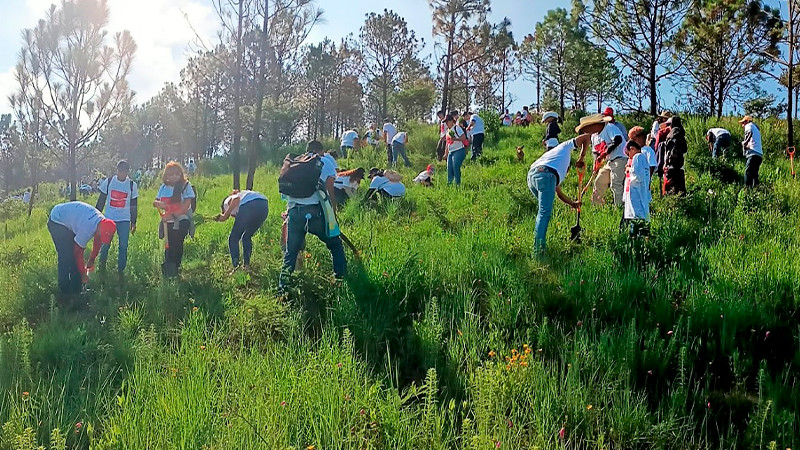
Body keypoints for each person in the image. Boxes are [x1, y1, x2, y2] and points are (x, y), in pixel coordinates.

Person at [527, 115, 603, 253]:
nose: (567, 171)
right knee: (544, 214)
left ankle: (538, 244)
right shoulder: (565, 147)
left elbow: (559, 193)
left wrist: (572, 203)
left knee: (542, 212)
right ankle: (538, 252)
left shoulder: (553, 159)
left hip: (532, 176)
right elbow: (586, 137)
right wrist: (581, 157)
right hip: (545, 175)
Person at [281, 140, 346, 287]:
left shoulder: (294, 163)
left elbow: (286, 193)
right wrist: (333, 217)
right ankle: (340, 281)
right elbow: (330, 194)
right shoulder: (324, 161)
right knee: (335, 244)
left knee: (291, 253)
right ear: (321, 151)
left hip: (294, 212)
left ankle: (283, 289)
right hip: (315, 212)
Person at [47, 201, 117, 296]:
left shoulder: (103, 223)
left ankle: (77, 290)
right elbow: (77, 253)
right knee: (66, 257)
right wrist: (83, 274)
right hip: (57, 221)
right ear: (99, 228)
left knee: (74, 260)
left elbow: (98, 240)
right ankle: (64, 294)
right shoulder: (87, 228)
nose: (102, 237)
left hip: (70, 220)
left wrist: (92, 259)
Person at [95, 160, 139, 274]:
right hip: (109, 218)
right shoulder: (109, 182)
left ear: (127, 172)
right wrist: (96, 217)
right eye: (120, 171)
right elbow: (101, 200)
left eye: (124, 172)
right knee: (105, 245)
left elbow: (134, 205)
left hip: (124, 220)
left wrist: (133, 222)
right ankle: (101, 269)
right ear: (117, 171)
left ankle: (121, 271)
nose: (122, 174)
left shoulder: (132, 185)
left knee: (123, 246)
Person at [153, 161, 196, 277]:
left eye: (177, 174)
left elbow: (186, 205)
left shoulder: (185, 186)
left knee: (177, 244)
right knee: (169, 245)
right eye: (171, 174)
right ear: (166, 176)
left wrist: (172, 215)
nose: (174, 176)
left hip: (181, 220)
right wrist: (159, 204)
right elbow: (156, 201)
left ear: (181, 174)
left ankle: (176, 267)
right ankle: (168, 268)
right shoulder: (163, 187)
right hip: (167, 221)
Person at [215, 190, 269, 269]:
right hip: (263, 206)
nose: (233, 217)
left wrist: (225, 215)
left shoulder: (226, 202)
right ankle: (246, 266)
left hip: (250, 205)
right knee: (246, 237)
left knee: (233, 238)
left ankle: (236, 267)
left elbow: (236, 199)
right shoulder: (245, 195)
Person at [591, 115, 626, 206]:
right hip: (609, 162)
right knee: (599, 181)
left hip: (620, 158)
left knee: (616, 184)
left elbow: (618, 139)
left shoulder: (609, 127)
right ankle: (596, 206)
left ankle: (619, 208)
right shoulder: (594, 136)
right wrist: (596, 164)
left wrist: (605, 153)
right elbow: (596, 152)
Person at [622, 141, 652, 237]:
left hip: (637, 195)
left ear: (632, 149)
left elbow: (637, 176)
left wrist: (629, 170)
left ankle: (638, 242)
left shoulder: (638, 157)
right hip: (635, 195)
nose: (629, 157)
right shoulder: (641, 159)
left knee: (637, 217)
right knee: (635, 218)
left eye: (628, 154)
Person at [662, 116, 688, 195]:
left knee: (670, 190)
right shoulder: (680, 134)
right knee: (680, 190)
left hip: (670, 165)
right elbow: (685, 149)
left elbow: (666, 151)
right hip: (679, 165)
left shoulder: (669, 135)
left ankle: (670, 205)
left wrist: (665, 164)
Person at [444, 114, 468, 186]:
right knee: (449, 168)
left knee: (455, 166)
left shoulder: (456, 128)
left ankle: (458, 184)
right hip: (451, 151)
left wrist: (455, 139)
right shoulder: (447, 131)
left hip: (459, 150)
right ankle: (449, 183)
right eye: (445, 122)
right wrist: (446, 153)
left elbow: (463, 137)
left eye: (447, 121)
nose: (446, 123)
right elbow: (447, 143)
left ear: (451, 121)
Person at [739, 116, 763, 187]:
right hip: (759, 154)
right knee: (754, 174)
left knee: (748, 172)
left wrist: (745, 143)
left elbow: (749, 133)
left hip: (753, 153)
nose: (742, 125)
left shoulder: (748, 126)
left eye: (743, 123)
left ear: (746, 121)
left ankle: (747, 190)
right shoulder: (755, 128)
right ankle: (755, 190)